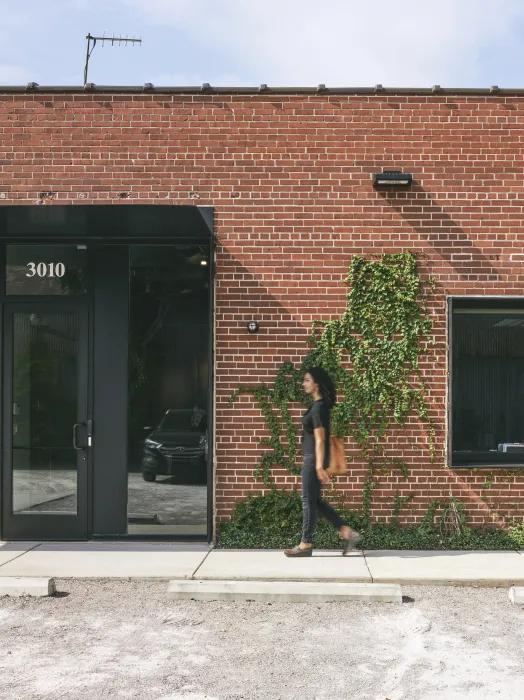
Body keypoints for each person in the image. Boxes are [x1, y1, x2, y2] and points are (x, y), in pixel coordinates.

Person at [284, 367, 361, 557]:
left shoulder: (318, 408)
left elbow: (320, 438)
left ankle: (305, 544)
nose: (304, 383)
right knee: (314, 501)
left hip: (313, 459)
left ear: (316, 384)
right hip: (314, 458)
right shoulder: (319, 406)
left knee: (307, 501)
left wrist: (318, 464)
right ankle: (347, 532)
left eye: (307, 380)